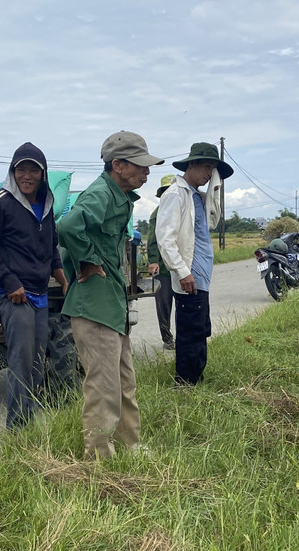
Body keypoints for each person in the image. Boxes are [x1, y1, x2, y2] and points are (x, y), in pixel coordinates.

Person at [57, 131, 164, 459]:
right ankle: (99, 461)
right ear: (118, 165)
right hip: (94, 308)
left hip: (110, 305)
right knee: (103, 389)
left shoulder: (118, 197)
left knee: (124, 384)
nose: (146, 173)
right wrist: (87, 259)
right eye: (140, 166)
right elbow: (67, 226)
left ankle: (130, 447)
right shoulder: (101, 194)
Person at [0, 142, 68, 429]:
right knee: (21, 362)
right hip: (15, 297)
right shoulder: (1, 201)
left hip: (40, 295)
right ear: (12, 172)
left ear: (43, 173)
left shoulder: (47, 205)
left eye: (33, 170)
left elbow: (52, 246)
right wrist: (10, 283)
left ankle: (30, 423)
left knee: (38, 363)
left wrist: (63, 280)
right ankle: (17, 430)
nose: (26, 176)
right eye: (21, 169)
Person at [154, 142, 231, 385]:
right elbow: (165, 239)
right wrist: (183, 272)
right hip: (190, 277)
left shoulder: (196, 195)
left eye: (213, 170)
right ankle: (186, 385)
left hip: (200, 277)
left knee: (200, 330)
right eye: (206, 167)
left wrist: (216, 180)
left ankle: (196, 379)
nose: (209, 174)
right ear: (192, 164)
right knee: (189, 333)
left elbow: (213, 218)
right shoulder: (176, 194)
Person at [146, 174, 176, 350]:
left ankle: (183, 336)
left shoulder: (183, 211)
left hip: (180, 268)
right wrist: (153, 261)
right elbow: (152, 240)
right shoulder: (157, 214)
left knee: (183, 304)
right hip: (164, 268)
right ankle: (167, 338)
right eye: (166, 191)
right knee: (164, 305)